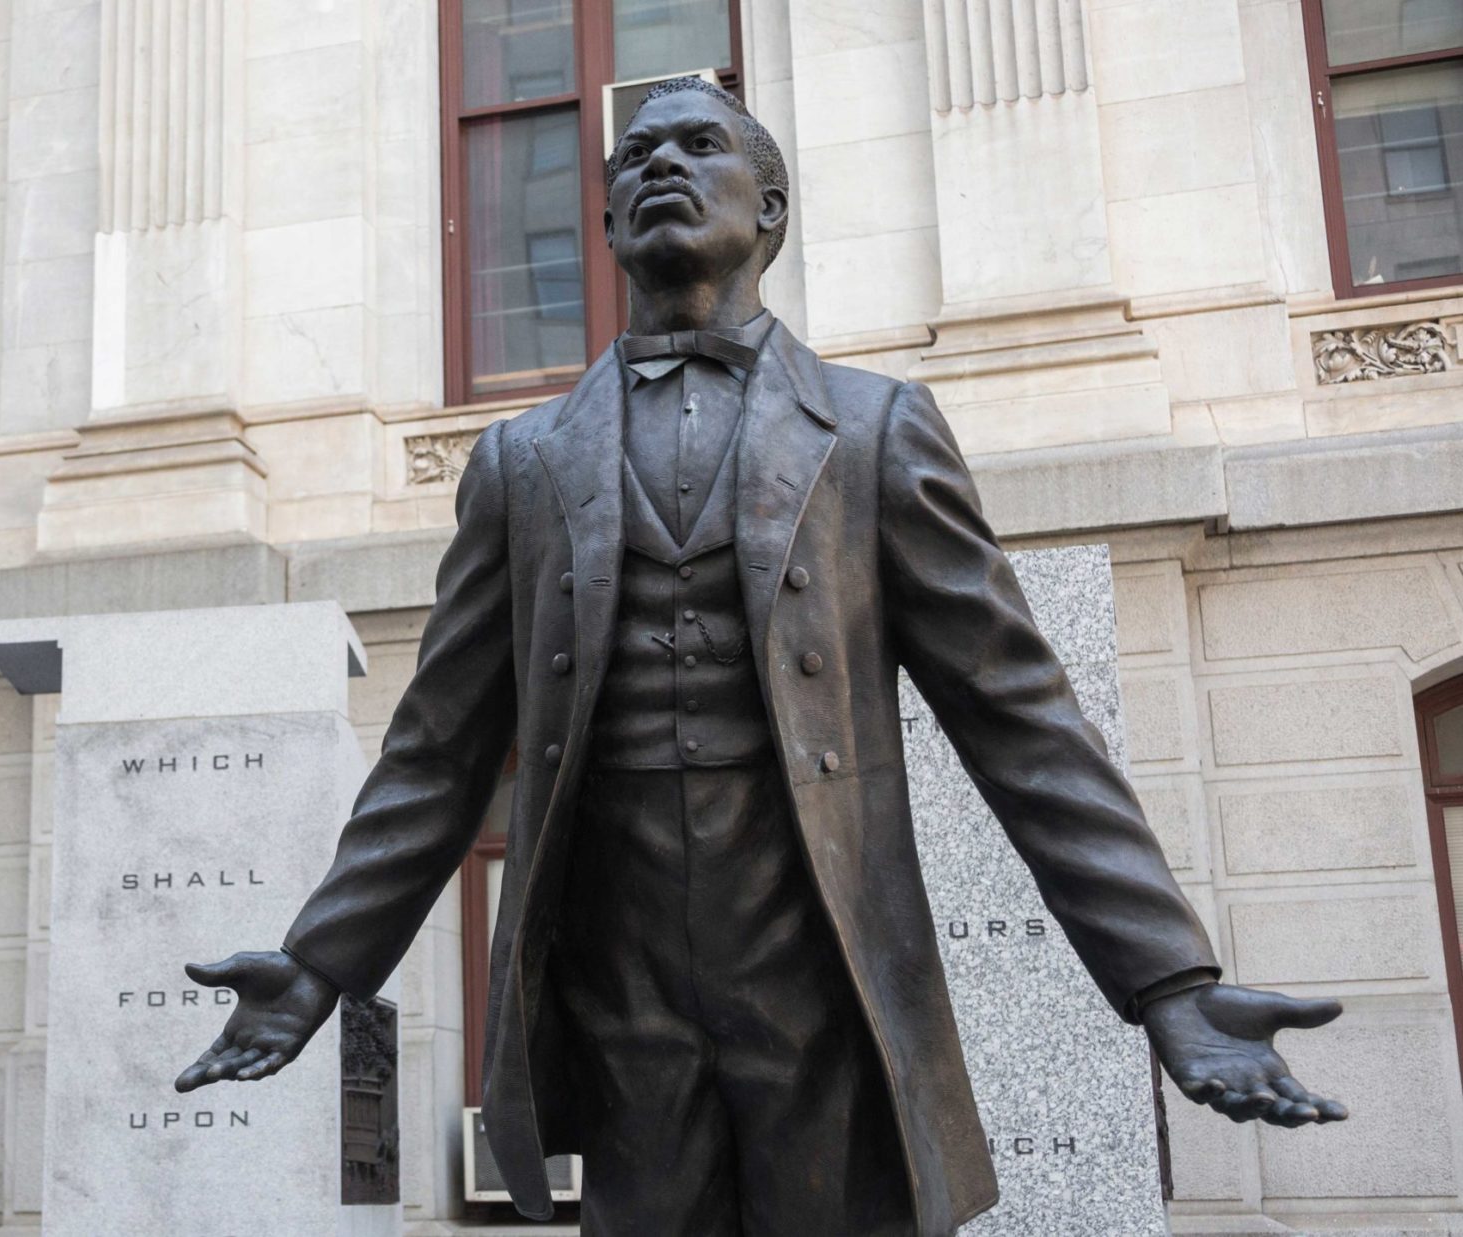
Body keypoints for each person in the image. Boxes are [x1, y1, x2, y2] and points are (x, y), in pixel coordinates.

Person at [175, 77, 1346, 1237]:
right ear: (606, 226)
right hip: (611, 970)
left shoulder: (876, 429)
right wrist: (321, 961)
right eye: (633, 159)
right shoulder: (519, 462)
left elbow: (1021, 718)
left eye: (696, 145)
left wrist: (1170, 985)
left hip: (819, 959)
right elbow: (436, 749)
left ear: (770, 209)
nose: (658, 167)